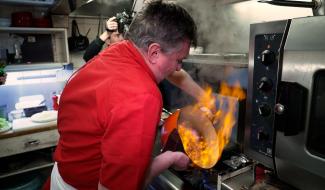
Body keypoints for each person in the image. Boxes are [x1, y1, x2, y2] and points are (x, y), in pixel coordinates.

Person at [49, 1, 198, 190]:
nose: (179, 67)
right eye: (179, 60)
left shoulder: (117, 52)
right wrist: (170, 158)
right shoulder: (143, 95)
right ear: (154, 52)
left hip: (62, 174)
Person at [83, 14, 204, 101]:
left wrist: (204, 97)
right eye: (117, 35)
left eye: (122, 35)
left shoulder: (138, 55)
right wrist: (106, 33)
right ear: (108, 40)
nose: (121, 38)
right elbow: (88, 56)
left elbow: (176, 74)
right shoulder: (106, 58)